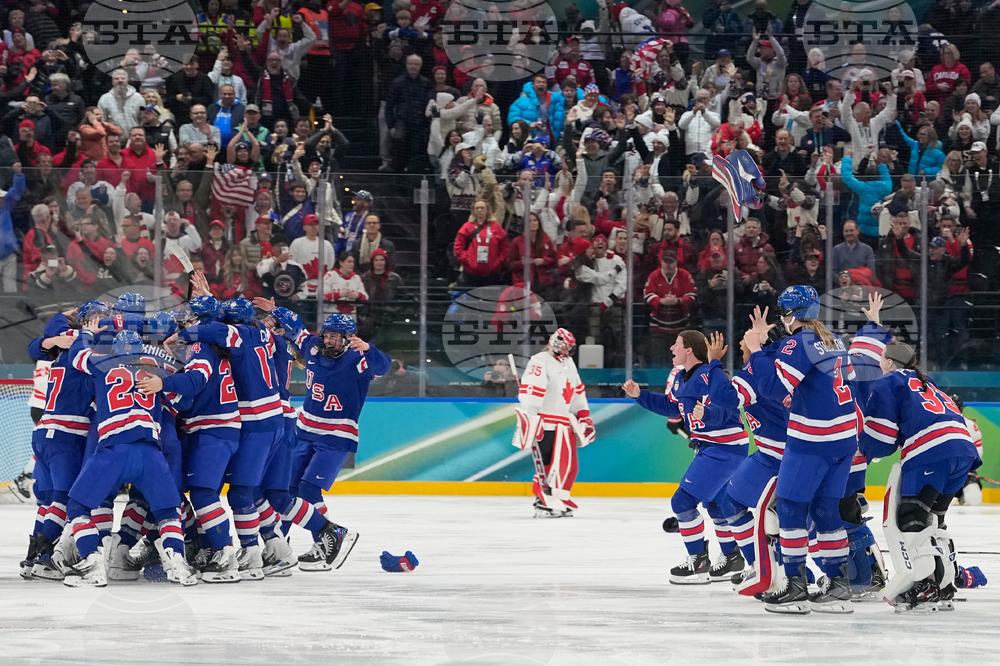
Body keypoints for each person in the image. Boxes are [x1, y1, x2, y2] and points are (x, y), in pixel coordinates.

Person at [59, 328, 197, 587]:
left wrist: (86, 332)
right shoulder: (155, 371)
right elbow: (184, 401)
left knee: (78, 507)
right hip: (151, 453)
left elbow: (76, 354)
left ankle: (92, 562)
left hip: (114, 450)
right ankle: (178, 564)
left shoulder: (102, 363)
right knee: (168, 512)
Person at [859, 342, 980, 611]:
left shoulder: (888, 380)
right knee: (935, 519)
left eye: (881, 358)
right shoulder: (928, 382)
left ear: (889, 362)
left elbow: (881, 436)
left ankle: (925, 584)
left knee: (912, 517)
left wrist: (863, 448)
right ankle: (944, 583)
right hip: (963, 450)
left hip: (931, 451)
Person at [173, 293, 285, 579]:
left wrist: (175, 339)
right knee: (247, 490)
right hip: (266, 419)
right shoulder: (262, 333)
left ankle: (242, 552)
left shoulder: (228, 336)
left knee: (236, 492)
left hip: (249, 422)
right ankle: (273, 546)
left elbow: (206, 334)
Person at [623, 330, 748, 583]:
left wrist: (708, 415)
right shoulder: (681, 377)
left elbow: (726, 407)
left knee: (682, 502)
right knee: (716, 503)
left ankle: (698, 563)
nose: (672, 348)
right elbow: (673, 407)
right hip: (718, 447)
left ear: (689, 349)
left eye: (677, 344)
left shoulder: (710, 375)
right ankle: (732, 558)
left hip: (723, 448)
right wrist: (641, 396)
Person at [763, 286, 857, 615]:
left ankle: (795, 587)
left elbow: (772, 389)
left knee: (790, 507)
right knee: (825, 509)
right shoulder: (836, 340)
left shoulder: (797, 342)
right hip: (844, 438)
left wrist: (760, 350)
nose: (781, 318)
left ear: (792, 313)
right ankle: (839, 585)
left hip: (813, 440)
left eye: (783, 312)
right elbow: (848, 381)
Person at [278, 313, 388, 568]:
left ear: (348, 338)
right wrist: (276, 312)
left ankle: (327, 539)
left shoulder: (359, 359)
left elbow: (383, 367)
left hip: (337, 435)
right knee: (287, 490)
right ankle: (279, 547)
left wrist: (369, 349)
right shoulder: (312, 347)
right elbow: (296, 329)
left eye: (335, 337)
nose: (328, 341)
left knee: (308, 489)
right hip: (305, 430)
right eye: (326, 335)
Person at [514, 328, 595, 518]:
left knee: (567, 465)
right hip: (545, 422)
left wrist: (583, 415)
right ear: (554, 344)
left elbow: (577, 391)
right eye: (564, 347)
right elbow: (531, 392)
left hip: (564, 423)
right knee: (549, 465)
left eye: (569, 348)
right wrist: (530, 417)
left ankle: (559, 498)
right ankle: (543, 501)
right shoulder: (540, 360)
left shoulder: (568, 363)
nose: (567, 351)